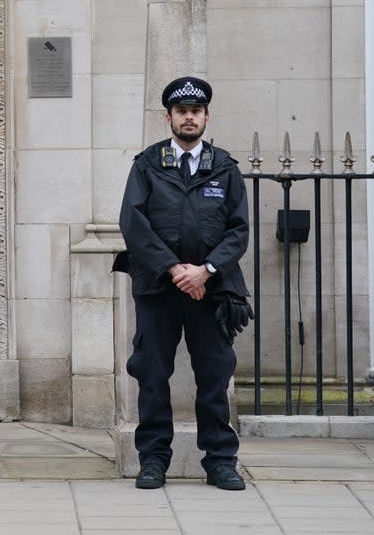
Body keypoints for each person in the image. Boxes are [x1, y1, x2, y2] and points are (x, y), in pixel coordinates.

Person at [117, 76, 254, 492]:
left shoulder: (225, 167)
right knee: (153, 375)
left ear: (206, 117)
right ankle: (154, 461)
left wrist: (205, 271)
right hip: (159, 288)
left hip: (212, 290)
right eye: (182, 111)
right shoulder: (147, 165)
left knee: (214, 376)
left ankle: (220, 462)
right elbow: (134, 225)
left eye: (196, 111)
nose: (189, 117)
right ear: (169, 118)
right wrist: (177, 270)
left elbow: (239, 230)